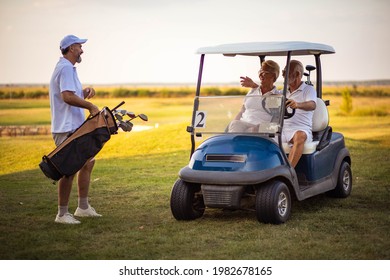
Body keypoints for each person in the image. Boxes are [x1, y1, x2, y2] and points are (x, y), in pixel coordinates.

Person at [49, 34, 101, 224]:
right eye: (79, 46)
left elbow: (72, 94)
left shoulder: (68, 68)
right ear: (71, 48)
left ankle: (83, 207)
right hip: (66, 127)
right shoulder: (65, 68)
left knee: (88, 162)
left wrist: (84, 93)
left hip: (74, 126)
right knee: (68, 171)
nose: (82, 50)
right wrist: (91, 107)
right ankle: (62, 214)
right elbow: (66, 97)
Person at [228, 60, 281, 132]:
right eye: (260, 71)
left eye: (265, 72)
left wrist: (257, 129)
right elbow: (241, 111)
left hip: (260, 128)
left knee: (253, 130)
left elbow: (274, 123)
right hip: (244, 124)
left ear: (273, 76)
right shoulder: (253, 91)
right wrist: (232, 124)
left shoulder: (274, 96)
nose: (261, 75)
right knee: (235, 124)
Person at [282, 60, 317, 167]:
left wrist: (297, 105)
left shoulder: (308, 89)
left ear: (297, 74)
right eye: (283, 72)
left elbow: (312, 105)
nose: (283, 75)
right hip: (282, 129)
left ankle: (288, 173)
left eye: (286, 72)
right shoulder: (283, 91)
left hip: (301, 128)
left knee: (299, 136)